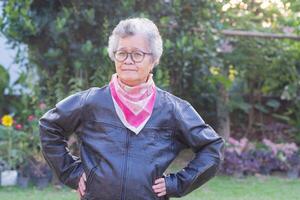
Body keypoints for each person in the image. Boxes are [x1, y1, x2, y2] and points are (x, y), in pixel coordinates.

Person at [39, 17, 224, 200]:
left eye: (137, 54)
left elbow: (212, 148)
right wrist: (71, 172)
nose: (128, 60)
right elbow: (49, 127)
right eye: (121, 53)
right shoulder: (91, 102)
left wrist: (176, 184)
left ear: (153, 60)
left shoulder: (173, 109)